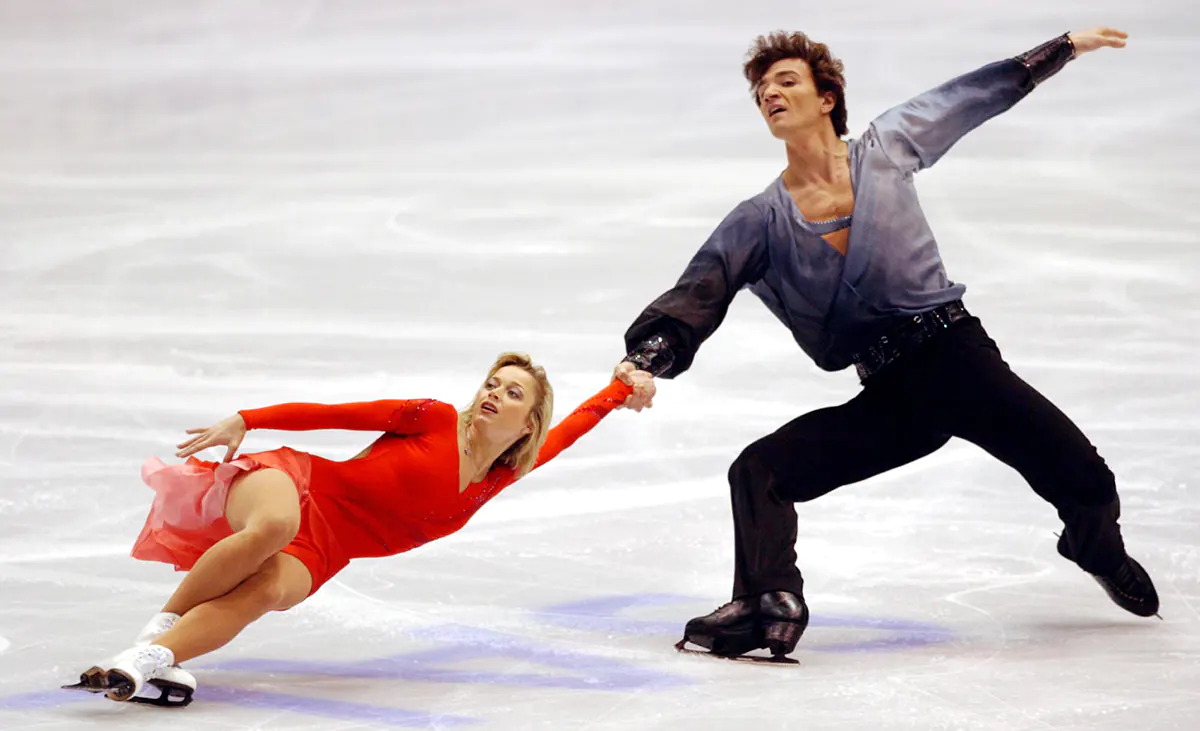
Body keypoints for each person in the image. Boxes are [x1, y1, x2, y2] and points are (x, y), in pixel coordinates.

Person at [612, 26, 1159, 661]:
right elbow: (703, 286)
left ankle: (1096, 549)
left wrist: (1061, 48)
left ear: (826, 97)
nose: (770, 93)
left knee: (1089, 481)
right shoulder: (759, 218)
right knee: (759, 471)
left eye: (786, 81)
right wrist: (649, 356)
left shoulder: (886, 147)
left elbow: (966, 98)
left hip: (958, 361)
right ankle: (767, 602)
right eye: (762, 90)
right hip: (893, 394)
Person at [65, 352, 650, 704]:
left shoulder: (498, 476)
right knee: (272, 527)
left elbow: (574, 426)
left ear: (529, 424)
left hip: (330, 546)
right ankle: (158, 631)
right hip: (300, 484)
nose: (495, 393)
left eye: (513, 392)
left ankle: (144, 660)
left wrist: (621, 388)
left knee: (267, 590)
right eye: (493, 383)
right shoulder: (434, 419)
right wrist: (247, 419)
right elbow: (335, 414)